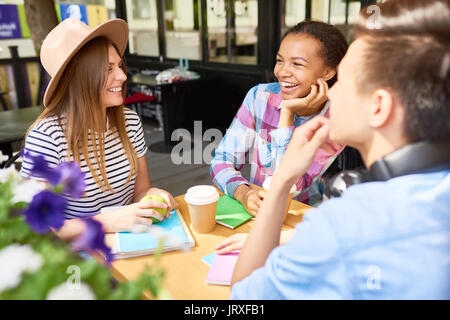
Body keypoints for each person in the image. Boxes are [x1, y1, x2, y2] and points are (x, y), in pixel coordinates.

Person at [229, 0, 450, 299]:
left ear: (379, 106)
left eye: (343, 81)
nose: (332, 92)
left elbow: (244, 298)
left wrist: (282, 181)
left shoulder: (345, 224)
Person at [20, 18, 177, 240]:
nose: (123, 76)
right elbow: (39, 225)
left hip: (131, 243)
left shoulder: (130, 122)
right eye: (108, 68)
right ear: (78, 78)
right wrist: (107, 222)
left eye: (120, 66)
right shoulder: (47, 137)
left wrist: (153, 195)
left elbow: (140, 191)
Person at [210, 21, 348, 214]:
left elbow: (285, 187)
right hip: (254, 209)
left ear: (327, 72)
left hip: (300, 217)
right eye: (280, 60)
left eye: (297, 64)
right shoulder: (259, 97)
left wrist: (287, 114)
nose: (282, 72)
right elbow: (222, 161)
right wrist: (243, 193)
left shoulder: (335, 122)